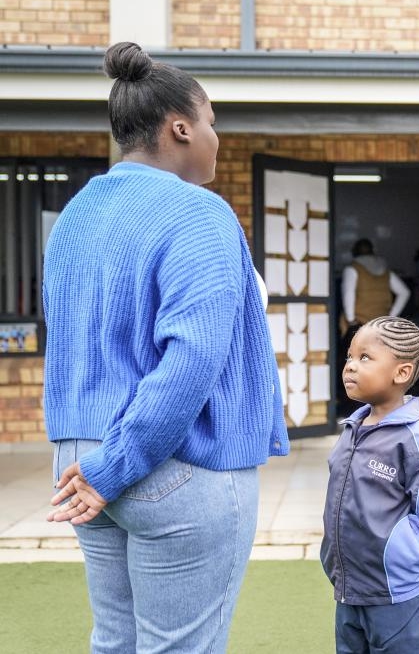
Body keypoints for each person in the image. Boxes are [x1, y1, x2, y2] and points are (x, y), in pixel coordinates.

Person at [43, 41, 289, 653]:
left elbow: (70, 341)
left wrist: (97, 468)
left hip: (80, 457)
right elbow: (192, 361)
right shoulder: (199, 213)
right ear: (179, 127)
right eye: (211, 123)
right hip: (167, 463)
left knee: (115, 642)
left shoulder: (75, 214)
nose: (216, 137)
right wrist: (117, 466)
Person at [321, 317, 419, 653]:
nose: (350, 366)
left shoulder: (418, 440)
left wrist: (400, 555)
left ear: (401, 373)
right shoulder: (352, 429)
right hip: (351, 588)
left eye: (365, 358)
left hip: (400, 593)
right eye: (350, 357)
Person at [342, 238, 411, 330]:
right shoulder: (386, 271)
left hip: (360, 322)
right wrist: (391, 316)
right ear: (373, 250)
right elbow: (405, 292)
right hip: (381, 324)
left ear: (354, 251)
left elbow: (348, 294)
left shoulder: (352, 269)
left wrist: (351, 320)